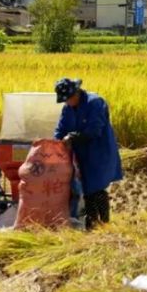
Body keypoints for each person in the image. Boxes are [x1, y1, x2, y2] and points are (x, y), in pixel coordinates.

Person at [53, 77, 123, 228]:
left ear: (76, 93)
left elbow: (94, 130)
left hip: (99, 151)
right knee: (86, 189)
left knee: (97, 188)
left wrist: (72, 136)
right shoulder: (68, 108)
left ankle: (104, 224)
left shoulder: (95, 103)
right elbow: (61, 128)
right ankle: (92, 224)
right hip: (81, 153)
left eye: (69, 99)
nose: (67, 103)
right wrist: (56, 142)